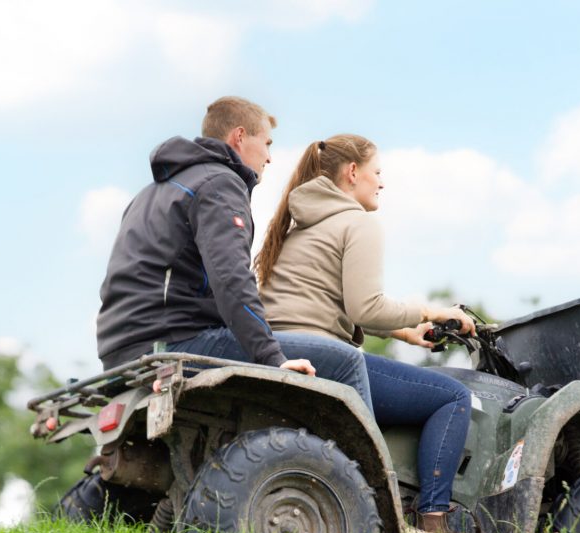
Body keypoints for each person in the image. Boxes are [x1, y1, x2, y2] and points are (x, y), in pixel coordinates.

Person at [255, 134, 477, 533]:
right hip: (325, 356)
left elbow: (323, 300)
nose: (382, 183)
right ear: (352, 173)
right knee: (451, 397)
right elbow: (366, 307)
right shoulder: (358, 222)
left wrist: (405, 331)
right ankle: (430, 522)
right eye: (378, 172)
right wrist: (432, 312)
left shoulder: (299, 223)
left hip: (281, 348)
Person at [96, 96, 373, 409]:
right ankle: (360, 462)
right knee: (347, 361)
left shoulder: (154, 191)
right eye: (267, 143)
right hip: (173, 341)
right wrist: (272, 358)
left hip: (120, 351)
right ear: (239, 137)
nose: (269, 157)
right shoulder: (220, 185)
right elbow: (231, 279)